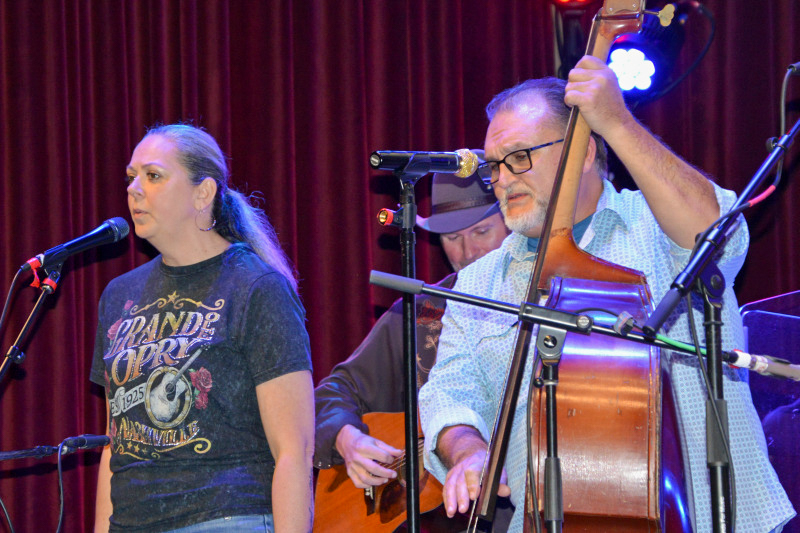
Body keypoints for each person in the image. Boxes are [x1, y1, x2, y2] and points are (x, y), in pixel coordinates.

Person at [419, 56, 795, 533]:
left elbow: (719, 236)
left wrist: (616, 120)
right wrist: (468, 449)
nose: (502, 179)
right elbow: (449, 393)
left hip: (712, 516)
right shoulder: (479, 282)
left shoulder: (656, 226)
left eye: (519, 157)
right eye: (494, 166)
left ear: (586, 151)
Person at [91, 124, 314, 532]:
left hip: (227, 517)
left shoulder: (255, 287)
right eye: (131, 177)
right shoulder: (119, 295)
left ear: (203, 193)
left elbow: (294, 451)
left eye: (153, 176)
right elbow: (115, 441)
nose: (134, 189)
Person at [314, 166, 513, 531]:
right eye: (452, 237)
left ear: (512, 220)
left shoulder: (548, 306)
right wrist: (349, 439)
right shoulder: (422, 313)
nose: (468, 252)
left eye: (482, 232)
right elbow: (331, 394)